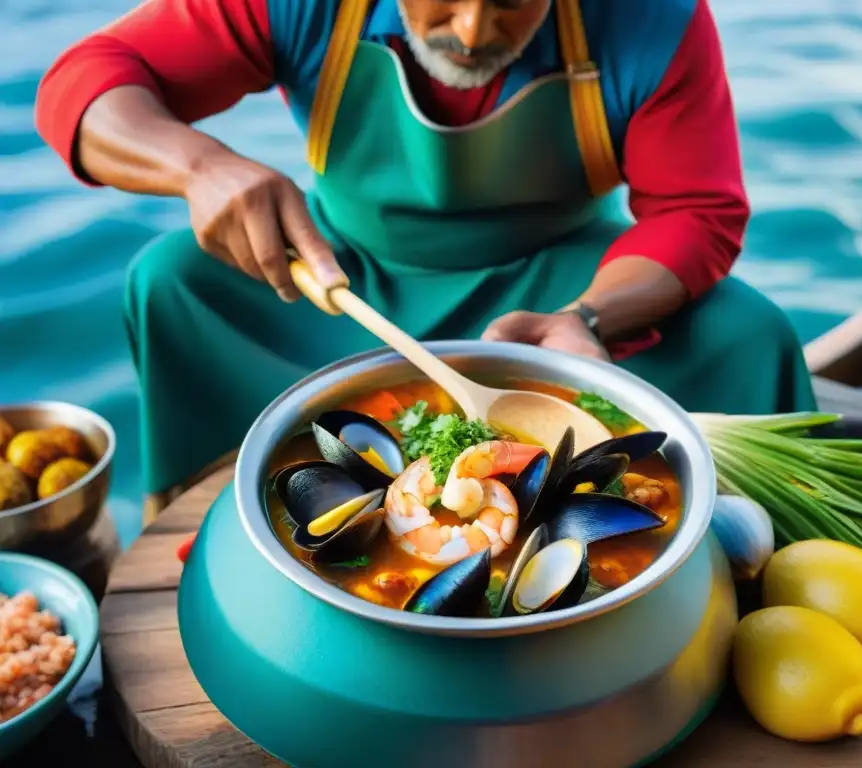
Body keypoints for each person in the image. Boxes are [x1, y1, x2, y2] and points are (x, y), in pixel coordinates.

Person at [36, 0, 817, 512]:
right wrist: (197, 166)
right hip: (341, 284)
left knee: (746, 332)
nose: (473, 31)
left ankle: (763, 540)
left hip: (555, 298)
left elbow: (695, 210)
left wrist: (589, 318)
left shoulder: (655, 17)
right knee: (170, 280)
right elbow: (85, 82)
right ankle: (192, 516)